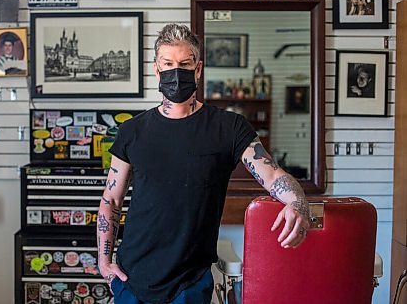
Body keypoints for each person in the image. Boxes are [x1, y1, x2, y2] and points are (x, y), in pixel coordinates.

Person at [97, 24, 310, 304]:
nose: (176, 72)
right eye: (168, 64)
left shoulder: (229, 128)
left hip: (190, 281)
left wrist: (297, 204)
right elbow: (112, 199)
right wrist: (104, 261)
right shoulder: (132, 132)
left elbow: (272, 176)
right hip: (131, 277)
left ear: (198, 70)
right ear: (156, 70)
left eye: (185, 64)